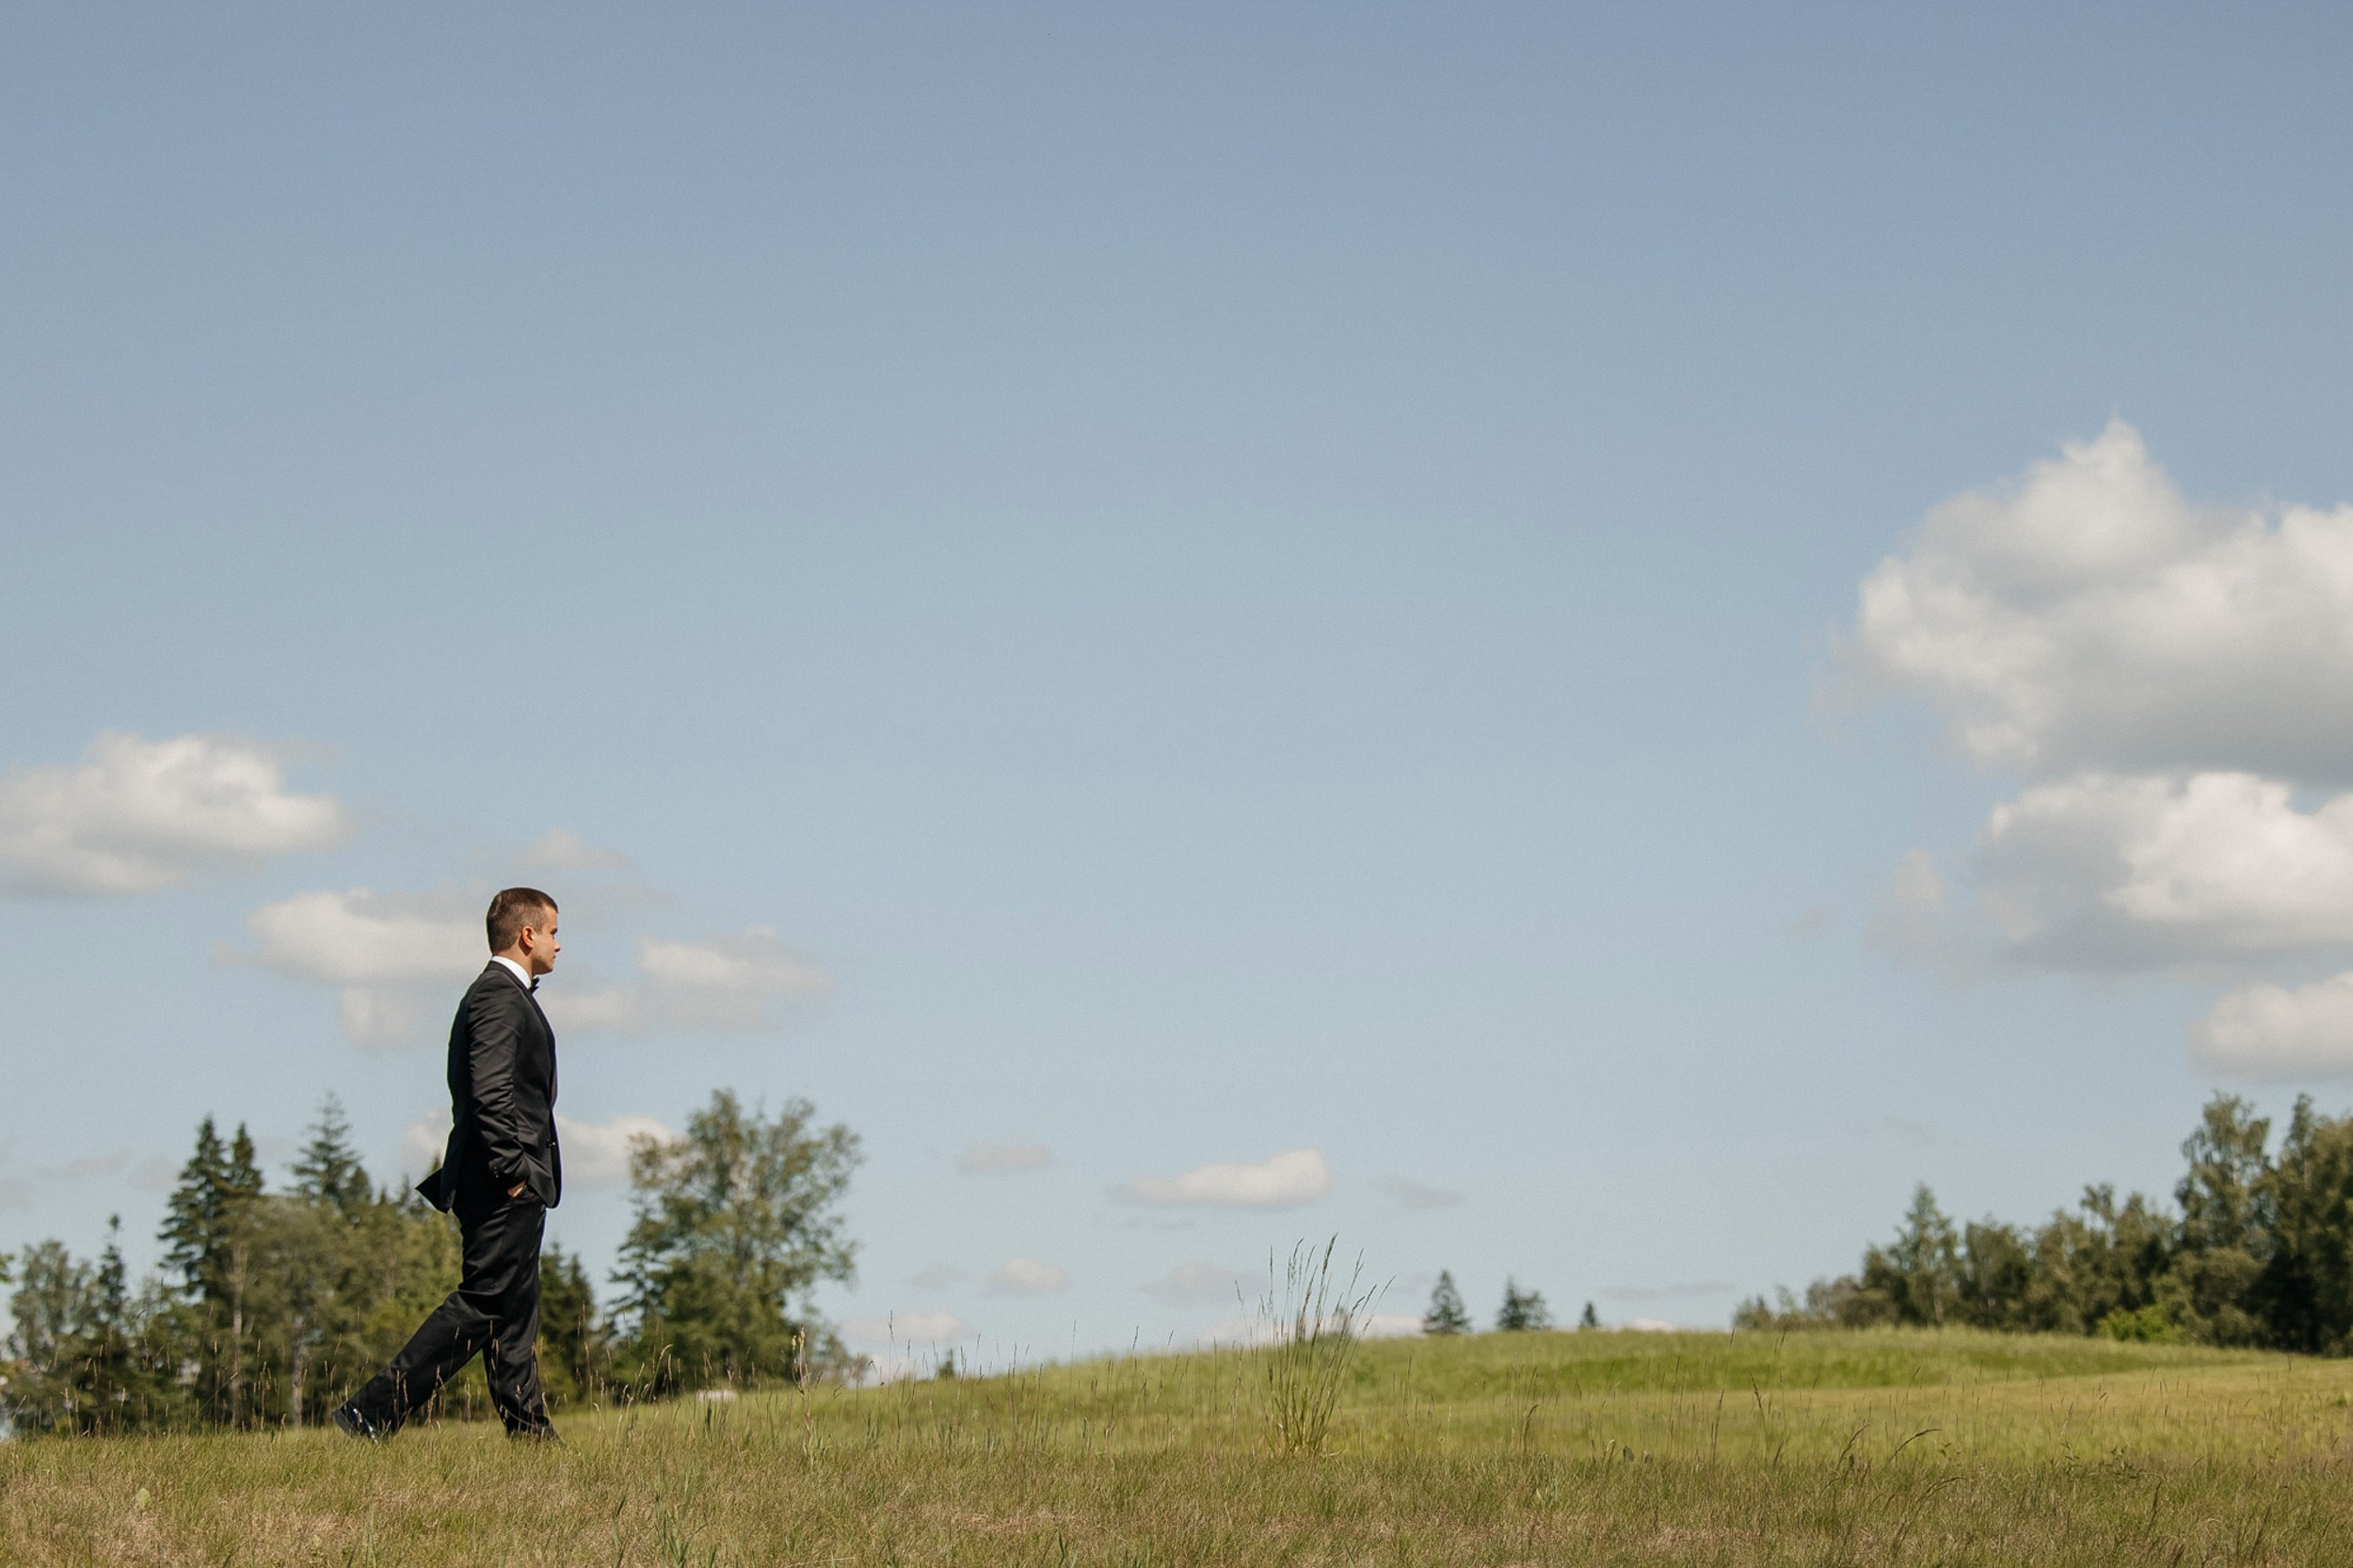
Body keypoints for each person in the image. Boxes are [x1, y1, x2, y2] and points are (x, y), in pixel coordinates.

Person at [333, 888, 566, 1442]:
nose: (560, 944)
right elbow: (488, 1094)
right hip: (501, 1181)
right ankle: (371, 1411)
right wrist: (514, 1171)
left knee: (512, 1316)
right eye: (554, 932)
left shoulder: (506, 997)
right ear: (527, 934)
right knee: (487, 1302)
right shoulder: (497, 998)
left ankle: (532, 1438)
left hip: (509, 1181)